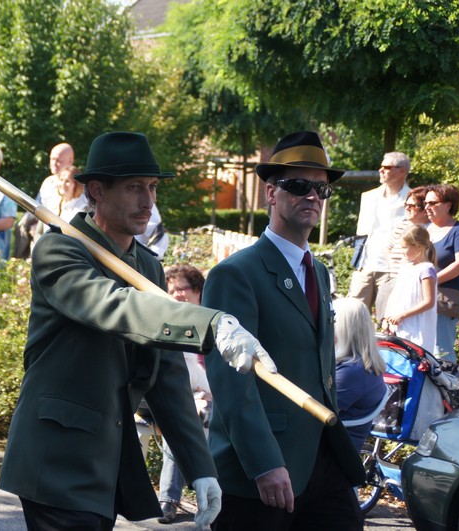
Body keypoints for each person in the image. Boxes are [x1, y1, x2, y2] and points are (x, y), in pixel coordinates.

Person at [0, 131, 276, 530]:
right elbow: (114, 305)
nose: (148, 201)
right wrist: (209, 323)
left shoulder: (147, 266)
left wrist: (200, 468)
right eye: (133, 188)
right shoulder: (59, 250)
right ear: (97, 190)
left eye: (152, 187)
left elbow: (166, 373)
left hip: (106, 465)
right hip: (56, 458)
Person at [202, 131, 366, 531]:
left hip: (321, 459)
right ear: (271, 193)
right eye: (298, 185)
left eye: (321, 188)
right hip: (262, 470)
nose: (312, 196)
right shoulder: (236, 273)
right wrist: (264, 463)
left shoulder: (319, 272)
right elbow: (231, 382)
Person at [157, 264, 213, 525]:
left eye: (182, 289)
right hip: (181, 398)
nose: (176, 295)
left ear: (198, 290)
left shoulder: (213, 322)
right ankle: (168, 500)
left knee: (201, 416)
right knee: (178, 419)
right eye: (171, 290)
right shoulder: (168, 324)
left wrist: (209, 396)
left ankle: (206, 502)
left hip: (213, 400)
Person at [348, 151, 411, 313]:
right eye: (381, 166)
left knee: (388, 317)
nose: (380, 170)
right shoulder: (368, 197)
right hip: (364, 266)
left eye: (386, 167)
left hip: (393, 270)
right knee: (354, 316)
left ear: (402, 171)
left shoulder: (412, 200)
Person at [333, 297, 387, 450]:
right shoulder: (362, 366)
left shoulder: (352, 373)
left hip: (329, 451)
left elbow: (314, 413)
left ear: (342, 328)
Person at [424, 183, 459, 362]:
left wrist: (431, 280)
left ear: (448, 205)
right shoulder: (425, 230)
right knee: (420, 350)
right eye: (425, 203)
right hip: (421, 297)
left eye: (433, 203)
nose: (427, 207)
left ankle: (449, 381)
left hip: (444, 300)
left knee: (441, 354)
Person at [374, 186, 430, 321]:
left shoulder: (429, 230)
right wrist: (394, 267)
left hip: (413, 286)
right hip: (393, 279)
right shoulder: (401, 226)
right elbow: (388, 247)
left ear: (424, 209)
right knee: (384, 321)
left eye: (413, 206)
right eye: (406, 205)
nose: (408, 209)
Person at [384, 225, 438, 353]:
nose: (402, 251)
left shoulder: (426, 269)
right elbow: (396, 296)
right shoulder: (406, 268)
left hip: (417, 330)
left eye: (404, 247)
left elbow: (428, 302)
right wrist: (387, 318)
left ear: (417, 246)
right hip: (401, 327)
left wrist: (403, 315)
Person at [15, 142, 75, 257]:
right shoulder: (48, 183)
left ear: (70, 161)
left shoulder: (77, 185)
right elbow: (35, 208)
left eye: (59, 160)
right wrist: (32, 223)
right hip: (44, 238)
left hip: (66, 241)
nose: (54, 164)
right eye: (52, 159)